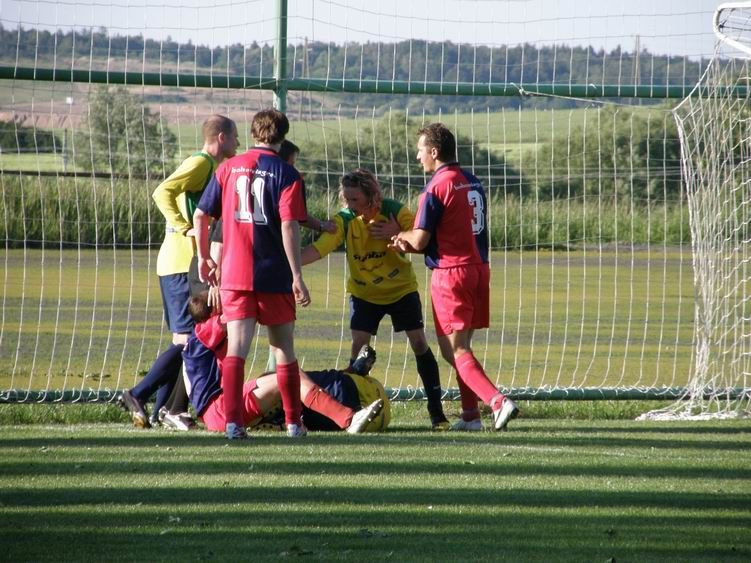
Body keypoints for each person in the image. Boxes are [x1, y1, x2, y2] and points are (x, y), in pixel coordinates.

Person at [390, 123, 519, 431]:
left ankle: (497, 402)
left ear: (434, 152)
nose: (418, 156)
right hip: (478, 268)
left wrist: (400, 237)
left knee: (454, 349)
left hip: (451, 273)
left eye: (420, 150)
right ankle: (470, 415)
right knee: (461, 348)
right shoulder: (472, 181)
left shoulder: (436, 187)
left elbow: (420, 239)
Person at [301, 168, 449, 430]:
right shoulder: (345, 220)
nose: (349, 204)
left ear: (371, 196)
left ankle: (437, 413)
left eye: (355, 199)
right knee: (359, 348)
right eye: (346, 198)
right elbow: (321, 248)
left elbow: (424, 242)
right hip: (364, 294)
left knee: (419, 342)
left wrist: (397, 233)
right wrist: (288, 263)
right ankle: (354, 412)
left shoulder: (394, 211)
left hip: (400, 290)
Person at [194, 108, 311, 440]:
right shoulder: (287, 174)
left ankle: (234, 424)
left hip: (234, 274)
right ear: (282, 136)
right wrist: (297, 275)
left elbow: (201, 216)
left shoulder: (228, 168)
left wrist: (204, 256)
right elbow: (289, 226)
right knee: (283, 348)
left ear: (253, 133)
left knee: (237, 349)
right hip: (273, 274)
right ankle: (293, 424)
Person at [118, 114, 238, 428]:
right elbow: (163, 191)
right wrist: (185, 227)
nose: (238, 143)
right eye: (235, 136)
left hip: (185, 263)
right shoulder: (201, 163)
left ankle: (163, 410)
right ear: (221, 137)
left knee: (186, 340)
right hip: (179, 264)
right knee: (187, 340)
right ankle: (137, 394)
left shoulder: (211, 168)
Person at [180, 290, 386, 434]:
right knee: (290, 376)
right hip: (221, 409)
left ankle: (348, 374)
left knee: (279, 375)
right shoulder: (206, 329)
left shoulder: (196, 339)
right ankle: (348, 419)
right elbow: (240, 311)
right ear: (213, 310)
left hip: (217, 412)